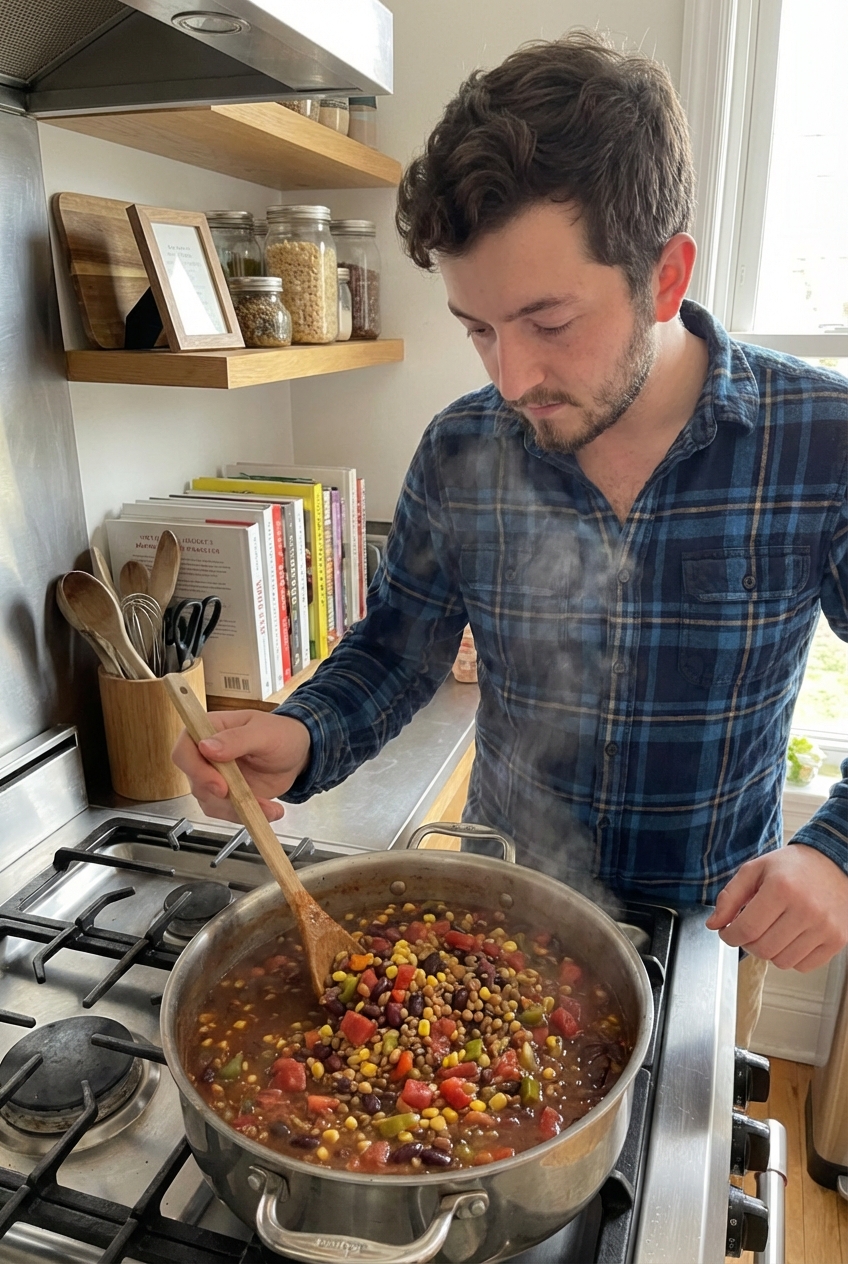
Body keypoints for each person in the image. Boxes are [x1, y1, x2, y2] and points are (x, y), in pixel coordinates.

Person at [173, 31, 848, 1044]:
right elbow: (400, 647)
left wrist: (835, 851)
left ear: (663, 277)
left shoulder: (821, 440)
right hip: (497, 929)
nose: (508, 377)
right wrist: (305, 733)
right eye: (476, 327)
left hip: (706, 935)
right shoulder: (460, 446)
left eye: (546, 319)